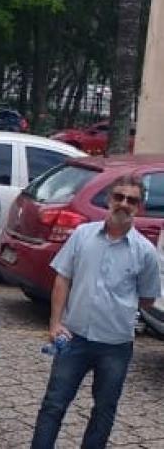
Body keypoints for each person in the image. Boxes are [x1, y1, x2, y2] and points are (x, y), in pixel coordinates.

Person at [31, 175, 161, 449]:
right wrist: (55, 324)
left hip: (115, 345)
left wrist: (118, 308)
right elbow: (62, 278)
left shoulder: (146, 252)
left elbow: (148, 298)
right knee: (53, 405)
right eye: (119, 197)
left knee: (103, 412)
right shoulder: (82, 234)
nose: (124, 204)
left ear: (139, 207)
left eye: (132, 200)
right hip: (74, 337)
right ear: (109, 199)